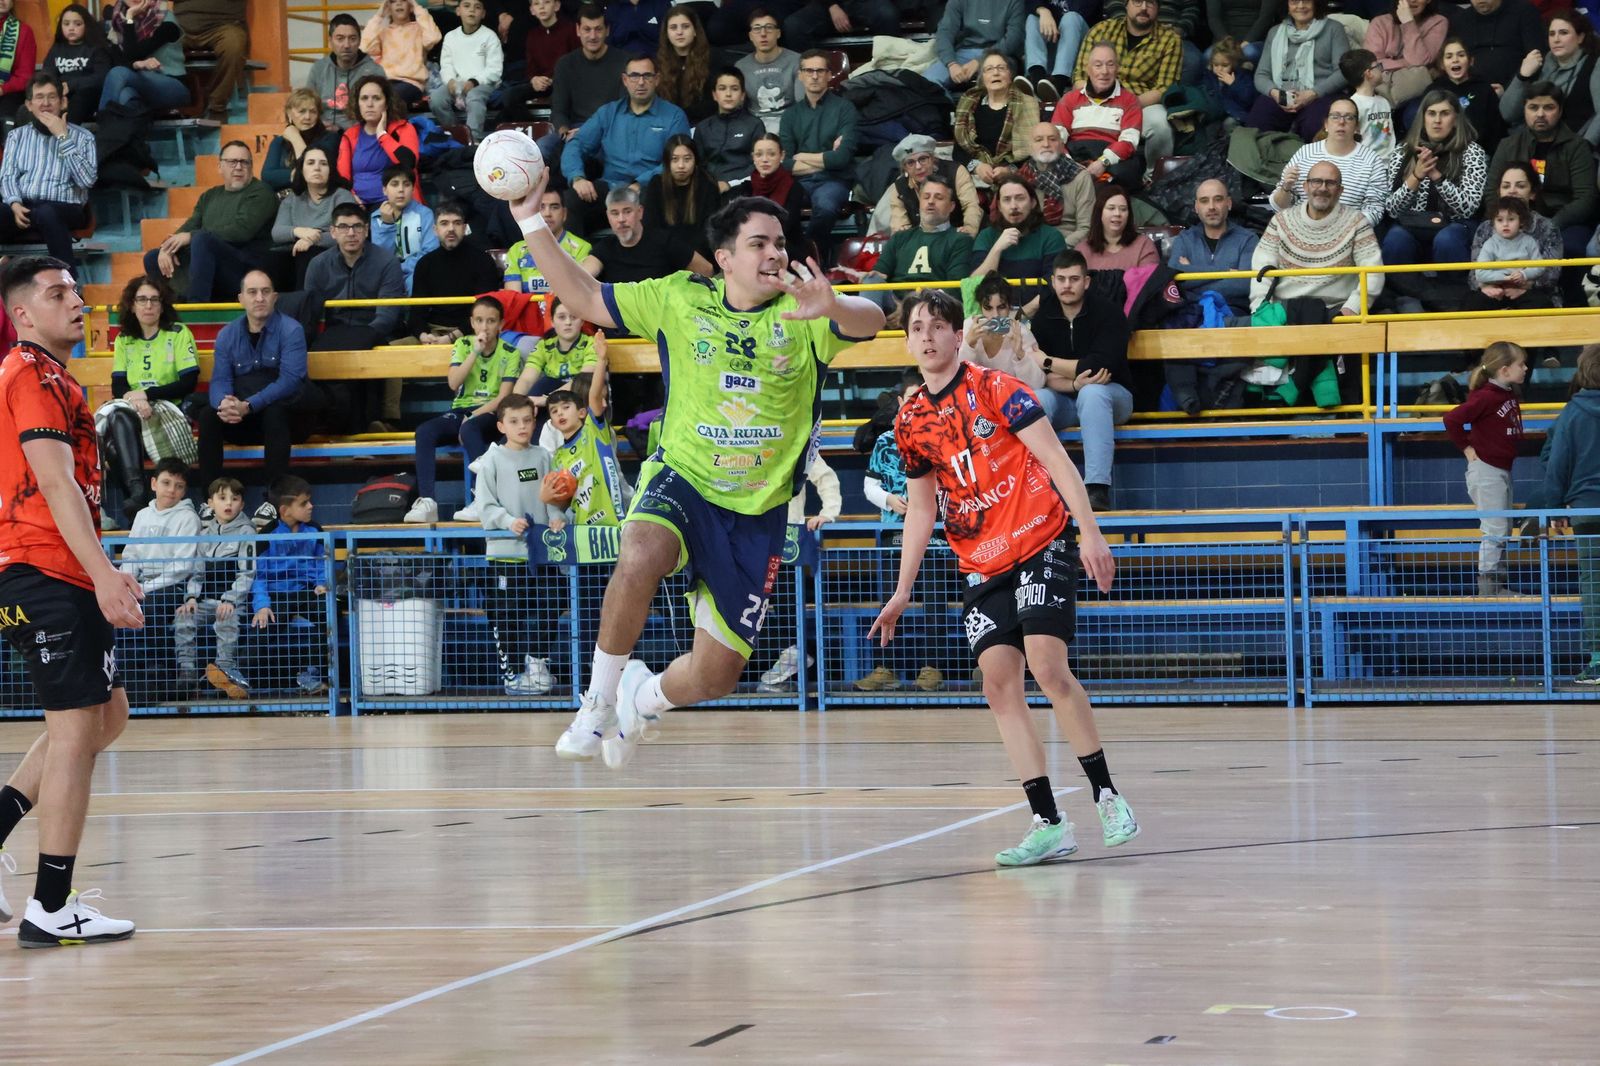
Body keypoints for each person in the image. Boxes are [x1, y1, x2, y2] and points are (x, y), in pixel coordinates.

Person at [508, 174, 885, 765]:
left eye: (781, 243)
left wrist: (834, 302)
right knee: (639, 552)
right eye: (760, 243)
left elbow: (874, 320)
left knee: (716, 677)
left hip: (758, 510)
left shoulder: (804, 310)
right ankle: (597, 702)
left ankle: (644, 696)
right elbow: (583, 296)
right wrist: (531, 221)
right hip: (683, 475)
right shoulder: (680, 297)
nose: (776, 253)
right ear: (725, 258)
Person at [868, 287, 1139, 866]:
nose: (927, 336)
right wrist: (901, 590)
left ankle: (1107, 795)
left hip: (1040, 538)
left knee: (1046, 664)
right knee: (997, 683)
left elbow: (1058, 460)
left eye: (938, 326)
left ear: (956, 333)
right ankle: (1048, 822)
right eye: (917, 327)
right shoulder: (911, 420)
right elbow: (920, 509)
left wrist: (1090, 532)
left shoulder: (998, 390)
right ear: (908, 338)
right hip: (981, 559)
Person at [0, 254, 143, 948]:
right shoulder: (29, 373)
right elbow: (55, 484)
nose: (77, 302)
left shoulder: (57, 376)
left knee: (105, 718)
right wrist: (104, 573)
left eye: (77, 291)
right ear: (22, 313)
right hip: (42, 570)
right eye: (57, 294)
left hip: (56, 571)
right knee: (78, 730)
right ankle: (49, 906)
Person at [474, 393, 565, 695]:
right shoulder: (491, 460)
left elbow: (553, 497)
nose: (522, 426)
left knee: (552, 604)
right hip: (504, 555)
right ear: (501, 426)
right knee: (507, 616)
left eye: (527, 420)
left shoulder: (543, 456)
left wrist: (555, 516)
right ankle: (512, 676)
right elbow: (485, 506)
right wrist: (507, 520)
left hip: (542, 554)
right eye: (514, 421)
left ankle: (537, 664)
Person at [1030, 250, 1134, 506]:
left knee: (1093, 393)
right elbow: (1041, 377)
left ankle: (1097, 488)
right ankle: (1034, 489)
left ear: (1086, 281)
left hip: (1113, 397)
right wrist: (1073, 382)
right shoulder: (1043, 319)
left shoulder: (1108, 313)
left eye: (1074, 279)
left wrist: (1049, 361)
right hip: (1064, 398)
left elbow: (1098, 367)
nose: (1067, 286)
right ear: (1053, 281)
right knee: (1037, 398)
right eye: (1062, 279)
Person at [196, 271, 316, 491]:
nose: (259, 298)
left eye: (265, 292)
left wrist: (249, 405)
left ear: (275, 297)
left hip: (288, 418)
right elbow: (220, 379)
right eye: (252, 292)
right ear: (241, 298)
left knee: (275, 412)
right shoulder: (227, 335)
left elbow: (290, 380)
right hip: (245, 418)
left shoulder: (291, 330)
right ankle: (210, 499)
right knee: (208, 416)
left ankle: (274, 498)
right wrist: (224, 404)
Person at [95, 275, 201, 522]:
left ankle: (138, 504)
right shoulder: (124, 339)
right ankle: (139, 493)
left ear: (162, 305)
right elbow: (119, 384)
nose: (148, 305)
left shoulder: (177, 333)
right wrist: (136, 400)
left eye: (154, 299)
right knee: (119, 415)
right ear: (132, 305)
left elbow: (188, 382)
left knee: (113, 448)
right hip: (135, 413)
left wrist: (147, 395)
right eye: (142, 299)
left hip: (169, 411)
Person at [409, 296, 522, 520]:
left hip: (490, 412)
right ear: (471, 323)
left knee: (470, 429)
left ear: (500, 325)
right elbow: (453, 383)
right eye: (479, 320)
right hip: (461, 409)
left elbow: (503, 398)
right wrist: (475, 352)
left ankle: (483, 500)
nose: (485, 327)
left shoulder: (511, 352)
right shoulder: (463, 345)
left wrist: (472, 416)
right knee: (424, 431)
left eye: (491, 321)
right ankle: (428, 503)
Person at [561, 54, 692, 238]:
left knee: (652, 199)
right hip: (609, 187)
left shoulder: (674, 116)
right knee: (569, 201)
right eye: (634, 76)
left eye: (647, 76)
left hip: (651, 189)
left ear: (657, 79)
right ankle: (577, 262)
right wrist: (577, 178)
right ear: (625, 80)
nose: (640, 82)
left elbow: (677, 161)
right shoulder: (608, 113)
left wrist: (640, 183)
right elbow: (577, 143)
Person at [143, 141, 277, 302]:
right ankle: (170, 311)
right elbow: (191, 225)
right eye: (232, 162)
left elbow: (242, 230)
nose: (239, 167)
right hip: (209, 262)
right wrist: (167, 247)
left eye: (244, 162)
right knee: (153, 257)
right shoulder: (210, 196)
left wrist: (191, 237)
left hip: (245, 269)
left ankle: (197, 310)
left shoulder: (261, 192)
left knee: (202, 240)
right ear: (220, 167)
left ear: (251, 167)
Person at [1166, 178, 1257, 414]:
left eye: (1218, 199)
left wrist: (1194, 273)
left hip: (1232, 314)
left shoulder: (1247, 239)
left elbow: (1246, 284)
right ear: (1196, 207)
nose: (1212, 206)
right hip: (1192, 315)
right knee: (1170, 330)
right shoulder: (1185, 239)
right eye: (1204, 201)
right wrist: (1226, 273)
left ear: (1228, 203)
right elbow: (1177, 282)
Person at [1444, 341, 1527, 596]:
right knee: (1495, 528)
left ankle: (1497, 585)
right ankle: (1488, 588)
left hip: (1501, 469)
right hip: (1487, 470)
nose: (1525, 368)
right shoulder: (1487, 397)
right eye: (1520, 364)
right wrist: (1468, 450)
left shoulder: (1506, 394)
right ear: (1504, 370)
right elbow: (1452, 419)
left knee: (1503, 527)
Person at [1253, 162, 1386, 320]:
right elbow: (1260, 270)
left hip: (1336, 313)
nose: (1323, 188)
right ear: (1305, 186)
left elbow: (1373, 272)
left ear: (1340, 191)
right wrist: (1260, 309)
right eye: (1316, 181)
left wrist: (1352, 309)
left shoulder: (1357, 222)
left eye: (1330, 183)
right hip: (1285, 312)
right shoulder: (1280, 221)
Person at [1542, 343, 1600, 684]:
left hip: (1587, 511)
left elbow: (1557, 465)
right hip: (1585, 509)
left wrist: (1551, 508)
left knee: (1595, 588)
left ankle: (1598, 661)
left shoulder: (1573, 413)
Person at [1381, 89, 1489, 268]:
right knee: (1395, 239)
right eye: (1431, 113)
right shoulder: (1402, 151)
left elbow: (1468, 209)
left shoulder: (1472, 152)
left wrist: (1437, 177)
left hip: (1455, 224)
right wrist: (1416, 176)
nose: (1437, 120)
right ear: (1423, 118)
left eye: (1445, 114)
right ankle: (1401, 294)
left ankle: (1450, 294)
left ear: (1455, 118)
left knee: (1447, 239)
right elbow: (1392, 210)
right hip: (1413, 223)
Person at [116, 457, 200, 687]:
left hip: (173, 586)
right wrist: (129, 585)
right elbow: (131, 554)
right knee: (116, 606)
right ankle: (126, 675)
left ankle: (159, 674)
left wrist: (143, 589)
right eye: (166, 483)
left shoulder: (188, 518)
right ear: (154, 484)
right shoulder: (143, 515)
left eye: (179, 486)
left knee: (149, 610)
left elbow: (182, 567)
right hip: (142, 585)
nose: (172, 490)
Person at [1488, 82, 1599, 255]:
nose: (1540, 114)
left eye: (1548, 107)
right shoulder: (1508, 145)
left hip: (1563, 222)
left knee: (1571, 246)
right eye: (1533, 107)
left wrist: (1550, 225)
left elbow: (1585, 198)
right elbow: (1491, 191)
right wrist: (1507, 221)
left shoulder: (1577, 146)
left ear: (1560, 110)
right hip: (1511, 219)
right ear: (1524, 109)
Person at [0, 75, 96, 273]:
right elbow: (7, 176)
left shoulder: (84, 137)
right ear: (29, 104)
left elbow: (87, 180)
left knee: (47, 213)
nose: (45, 103)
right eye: (39, 97)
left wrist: (63, 137)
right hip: (24, 207)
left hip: (67, 208)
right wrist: (14, 203)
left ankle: (70, 284)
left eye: (52, 97)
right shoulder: (16, 136)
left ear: (63, 102)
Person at [176, 476, 256, 701]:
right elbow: (197, 572)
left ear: (242, 503)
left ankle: (224, 670)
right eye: (222, 498)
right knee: (183, 618)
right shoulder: (204, 534)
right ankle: (188, 675)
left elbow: (247, 572)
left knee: (226, 620)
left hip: (233, 602)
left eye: (235, 498)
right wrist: (191, 598)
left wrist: (230, 600)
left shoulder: (247, 532)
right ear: (210, 503)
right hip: (205, 600)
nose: (228, 503)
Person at [1073, 0, 1182, 164]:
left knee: (1161, 125)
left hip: (1141, 104)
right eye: (1138, 1)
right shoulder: (1102, 30)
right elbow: (1079, 78)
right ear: (1126, 4)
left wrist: (1126, 105)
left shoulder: (1170, 40)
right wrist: (1106, 104)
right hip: (1097, 100)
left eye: (1150, 3)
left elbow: (1164, 88)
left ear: (1158, 8)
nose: (1144, 8)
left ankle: (1154, 176)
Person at [250, 475, 330, 694]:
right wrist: (262, 606)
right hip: (275, 596)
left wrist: (323, 583)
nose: (311, 506)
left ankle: (313, 676)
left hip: (305, 593)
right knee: (261, 626)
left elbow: (322, 563)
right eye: (304, 503)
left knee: (328, 614)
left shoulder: (315, 530)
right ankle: (246, 680)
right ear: (285, 510)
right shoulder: (267, 535)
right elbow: (259, 576)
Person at [779, 50, 859, 262]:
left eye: (820, 71)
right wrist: (826, 159)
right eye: (809, 70)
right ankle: (790, 258)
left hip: (834, 181)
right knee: (781, 207)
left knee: (825, 207)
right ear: (800, 75)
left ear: (829, 75)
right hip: (800, 182)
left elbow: (841, 159)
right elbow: (785, 164)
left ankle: (812, 259)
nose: (814, 76)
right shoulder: (790, 115)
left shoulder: (845, 109)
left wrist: (802, 156)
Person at [303, 203, 407, 362]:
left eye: (357, 226)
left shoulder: (387, 262)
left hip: (374, 335)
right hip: (332, 336)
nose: (351, 233)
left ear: (366, 230)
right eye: (343, 227)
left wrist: (357, 340)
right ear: (333, 232)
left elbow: (386, 318)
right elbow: (311, 315)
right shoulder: (318, 265)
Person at [545, 345, 627, 527]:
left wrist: (601, 360)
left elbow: (595, 396)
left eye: (566, 407)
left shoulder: (593, 430)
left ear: (583, 412)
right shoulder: (558, 457)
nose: (560, 414)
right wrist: (550, 501)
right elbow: (562, 501)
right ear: (552, 421)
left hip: (615, 521)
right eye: (554, 411)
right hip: (583, 528)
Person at [1246, 0, 1350, 140]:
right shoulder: (1275, 32)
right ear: (1287, 6)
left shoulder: (1334, 29)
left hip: (1320, 94)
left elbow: (1343, 72)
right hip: (1282, 93)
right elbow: (1261, 75)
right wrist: (1277, 94)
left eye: (1306, 1)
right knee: (1257, 123)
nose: (1300, 6)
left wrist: (1312, 93)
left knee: (1315, 127)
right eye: (1294, 1)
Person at [547, 5, 632, 174]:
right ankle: (551, 199)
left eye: (598, 29)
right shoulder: (565, 64)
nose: (593, 36)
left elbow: (625, 109)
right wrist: (564, 131)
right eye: (587, 29)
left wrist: (592, 131)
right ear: (578, 30)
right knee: (542, 148)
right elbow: (558, 110)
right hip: (573, 130)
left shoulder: (625, 62)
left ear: (607, 31)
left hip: (610, 131)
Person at [968, 172, 1068, 314]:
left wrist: (1022, 314)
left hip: (1039, 314)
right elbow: (975, 285)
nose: (1014, 206)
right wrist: (997, 249)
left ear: (1033, 203)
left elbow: (1056, 284)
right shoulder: (986, 236)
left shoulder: (1051, 237)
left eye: (1020, 199)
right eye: (1007, 200)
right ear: (999, 206)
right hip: (995, 316)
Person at [870, 176, 975, 310]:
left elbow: (954, 289)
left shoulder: (961, 240)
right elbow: (879, 274)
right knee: (871, 279)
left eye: (939, 197)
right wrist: (900, 308)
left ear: (951, 206)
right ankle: (865, 329)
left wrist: (910, 310)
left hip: (935, 308)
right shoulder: (899, 237)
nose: (931, 201)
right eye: (926, 197)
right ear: (919, 202)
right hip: (895, 306)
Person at [959, 271, 1053, 419]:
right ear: (981, 307)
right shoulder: (969, 328)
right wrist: (969, 345)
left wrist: (1020, 355)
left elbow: (1037, 385)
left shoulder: (1021, 333)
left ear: (1009, 306)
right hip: (977, 403)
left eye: (1001, 307)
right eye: (988, 308)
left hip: (1011, 406)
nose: (995, 315)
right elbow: (957, 380)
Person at [408, 198, 503, 343]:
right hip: (432, 333)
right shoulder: (425, 264)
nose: (451, 228)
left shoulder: (483, 261)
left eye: (457, 223)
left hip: (473, 334)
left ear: (465, 229)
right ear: (435, 230)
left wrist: (451, 337)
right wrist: (423, 335)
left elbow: (486, 311)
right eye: (444, 223)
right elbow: (416, 313)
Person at [1052, 43, 1146, 189]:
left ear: (1117, 69)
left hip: (1112, 162)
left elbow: (1129, 142)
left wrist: (1103, 162)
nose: (1104, 71)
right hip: (1076, 157)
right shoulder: (1069, 99)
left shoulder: (1130, 101)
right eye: (1098, 65)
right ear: (1088, 69)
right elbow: (1056, 139)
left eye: (1110, 65)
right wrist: (1071, 165)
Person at [1501, 9, 1600, 143]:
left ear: (1580, 37)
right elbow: (1507, 114)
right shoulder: (1538, 63)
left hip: (1571, 149)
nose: (1556, 39)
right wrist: (1522, 76)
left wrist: (1584, 146)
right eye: (1551, 34)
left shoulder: (1594, 63)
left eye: (1563, 33)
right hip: (1530, 144)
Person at [271, 145, 359, 290]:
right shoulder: (292, 199)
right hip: (295, 252)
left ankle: (304, 308)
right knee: (271, 260)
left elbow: (346, 234)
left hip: (332, 255)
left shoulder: (342, 196)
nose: (317, 168)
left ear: (330, 169)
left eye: (323, 163)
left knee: (308, 255)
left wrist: (312, 240)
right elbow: (277, 232)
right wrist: (301, 232)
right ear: (301, 169)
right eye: (310, 163)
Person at [586, 185, 715, 282]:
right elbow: (584, 273)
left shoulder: (664, 241)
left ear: (640, 212)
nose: (621, 219)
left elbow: (706, 269)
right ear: (608, 216)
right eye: (615, 213)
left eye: (627, 211)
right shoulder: (605, 247)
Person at [1481, 163, 1563, 306]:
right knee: (1473, 303)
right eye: (1506, 186)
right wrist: (1491, 287)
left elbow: (1551, 274)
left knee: (1539, 305)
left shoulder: (1548, 227)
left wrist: (1524, 286)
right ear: (1499, 192)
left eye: (1520, 186)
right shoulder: (1485, 228)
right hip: (1494, 290)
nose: (1512, 191)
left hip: (1534, 292)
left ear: (1532, 193)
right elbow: (1474, 273)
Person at [953, 53, 1039, 188]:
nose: (996, 73)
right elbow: (958, 150)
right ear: (982, 78)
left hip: (1017, 180)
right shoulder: (968, 105)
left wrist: (1009, 170)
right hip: (975, 179)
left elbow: (1035, 149)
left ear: (1010, 76)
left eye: (1001, 68)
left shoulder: (1028, 105)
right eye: (989, 69)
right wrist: (977, 167)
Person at [338, 75, 422, 210]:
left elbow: (409, 163)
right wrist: (352, 198)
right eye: (364, 98)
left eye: (376, 98)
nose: (370, 104)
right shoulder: (350, 135)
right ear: (357, 103)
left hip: (396, 204)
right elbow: (343, 178)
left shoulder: (403, 128)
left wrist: (382, 134)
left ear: (387, 103)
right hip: (358, 206)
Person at [101, 0, 190, 114]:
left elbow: (133, 54)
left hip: (172, 86)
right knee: (125, 95)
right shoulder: (117, 25)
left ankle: (101, 124)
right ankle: (117, 129)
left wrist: (129, 18)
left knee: (118, 73)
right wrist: (137, 64)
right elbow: (118, 61)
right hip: (139, 87)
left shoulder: (167, 21)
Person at [431, 0, 502, 140]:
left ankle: (472, 140)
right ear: (458, 11)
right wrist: (450, 80)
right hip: (457, 83)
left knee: (474, 97)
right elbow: (446, 65)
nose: (472, 10)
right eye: (467, 6)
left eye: (477, 7)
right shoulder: (451, 37)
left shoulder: (490, 36)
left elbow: (495, 69)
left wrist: (474, 82)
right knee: (436, 99)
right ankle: (457, 135)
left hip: (484, 84)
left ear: (483, 14)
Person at [884, 135, 983, 236]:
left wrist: (969, 230)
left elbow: (971, 206)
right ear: (905, 168)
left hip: (958, 236)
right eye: (910, 162)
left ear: (932, 159)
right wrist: (902, 233)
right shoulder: (899, 187)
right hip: (922, 242)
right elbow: (899, 224)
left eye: (922, 159)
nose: (918, 167)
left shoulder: (955, 172)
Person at [503, 188, 593, 298]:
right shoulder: (516, 250)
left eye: (554, 207)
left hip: (564, 313)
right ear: (531, 212)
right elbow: (514, 299)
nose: (547, 213)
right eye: (541, 207)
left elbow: (579, 293)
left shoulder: (582, 248)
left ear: (564, 214)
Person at [1467, 196, 1553, 310]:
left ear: (1521, 221)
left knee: (1543, 303)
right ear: (1493, 222)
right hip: (1496, 290)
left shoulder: (1529, 241)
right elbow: (1480, 273)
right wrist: (1505, 278)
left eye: (1511, 219)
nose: (1505, 224)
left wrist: (1524, 274)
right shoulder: (1490, 244)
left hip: (1522, 289)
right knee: (1471, 303)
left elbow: (1539, 267)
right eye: (1500, 220)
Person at [643, 134, 721, 258]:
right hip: (664, 252)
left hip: (699, 254)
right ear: (667, 162)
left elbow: (710, 228)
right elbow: (651, 226)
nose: (681, 165)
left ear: (695, 160)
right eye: (675, 159)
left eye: (687, 159)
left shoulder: (707, 184)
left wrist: (687, 256)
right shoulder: (656, 184)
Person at [1018, 121, 1095, 247]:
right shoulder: (1021, 178)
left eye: (1052, 139)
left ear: (1061, 145)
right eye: (1039, 140)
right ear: (1030, 147)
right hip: (1030, 244)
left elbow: (1086, 228)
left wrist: (1058, 248)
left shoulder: (1080, 176)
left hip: (1068, 246)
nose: (1046, 144)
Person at [307, 13, 386, 135]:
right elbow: (307, 104)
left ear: (359, 41)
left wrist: (342, 130)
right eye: (340, 38)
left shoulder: (374, 71)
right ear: (330, 41)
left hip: (360, 135)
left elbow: (379, 112)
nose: (346, 45)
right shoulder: (318, 69)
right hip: (323, 132)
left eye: (352, 38)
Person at [1364, 0, 1449, 108]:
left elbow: (1418, 60)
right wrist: (1407, 63)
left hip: (1417, 90)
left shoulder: (1438, 22)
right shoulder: (1379, 22)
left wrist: (1408, 22)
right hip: (1380, 87)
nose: (1413, 0)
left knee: (1413, 113)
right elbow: (1371, 64)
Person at [695, 68, 767, 194]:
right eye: (722, 88)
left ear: (742, 95)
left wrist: (731, 184)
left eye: (734, 89)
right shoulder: (703, 127)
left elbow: (759, 164)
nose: (728, 94)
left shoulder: (755, 125)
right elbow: (697, 164)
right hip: (708, 189)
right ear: (714, 95)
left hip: (743, 188)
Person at [1447, 0, 1545, 91]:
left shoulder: (1524, 12)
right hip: (1471, 92)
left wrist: (1510, 91)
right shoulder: (1459, 20)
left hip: (1518, 89)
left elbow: (1536, 59)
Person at [502, 0, 576, 122]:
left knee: (558, 97)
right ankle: (534, 126)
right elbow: (531, 68)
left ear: (556, 6)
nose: (542, 7)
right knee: (509, 96)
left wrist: (554, 79)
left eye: (546, 2)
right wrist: (534, 79)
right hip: (541, 83)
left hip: (563, 83)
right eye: (536, 3)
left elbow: (575, 63)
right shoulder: (532, 35)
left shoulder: (570, 30)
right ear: (532, 10)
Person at [1425, 36, 1505, 148]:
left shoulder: (1484, 89)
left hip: (1477, 150)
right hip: (1441, 151)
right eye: (1449, 57)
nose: (1455, 60)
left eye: (1461, 55)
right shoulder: (1433, 90)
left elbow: (1496, 130)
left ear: (1470, 61)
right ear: (1442, 64)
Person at [172, 0, 246, 122]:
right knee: (158, 42)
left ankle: (216, 106)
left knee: (234, 45)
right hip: (182, 27)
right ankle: (165, 108)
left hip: (223, 25)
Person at [926, 0, 1025, 90]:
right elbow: (945, 32)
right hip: (964, 52)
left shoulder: (1014, 2)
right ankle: (950, 109)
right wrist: (951, 63)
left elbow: (1013, 39)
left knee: (996, 82)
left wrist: (980, 60)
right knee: (928, 81)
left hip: (1000, 54)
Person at [370, 163, 439, 293]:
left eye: (406, 184)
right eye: (394, 184)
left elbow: (430, 252)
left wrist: (400, 268)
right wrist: (387, 224)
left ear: (413, 189)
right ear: (384, 189)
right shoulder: (376, 217)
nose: (401, 190)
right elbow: (380, 258)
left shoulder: (425, 214)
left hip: (417, 272)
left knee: (415, 284)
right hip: (387, 276)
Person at [361, 0, 441, 107]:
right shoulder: (384, 32)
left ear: (410, 6)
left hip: (411, 83)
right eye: (393, 1)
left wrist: (416, 7)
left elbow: (433, 38)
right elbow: (366, 47)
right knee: (366, 96)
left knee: (390, 98)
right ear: (388, 8)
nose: (398, 3)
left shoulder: (419, 29)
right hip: (386, 81)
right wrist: (379, 15)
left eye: (403, 0)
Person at [43, 3, 111, 125]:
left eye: (77, 24)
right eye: (66, 24)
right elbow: (48, 73)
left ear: (86, 26)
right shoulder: (56, 48)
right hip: (61, 94)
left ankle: (66, 138)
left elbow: (101, 77)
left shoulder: (96, 48)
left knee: (80, 98)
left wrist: (71, 85)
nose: (71, 28)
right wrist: (57, 89)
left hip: (88, 96)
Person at [747, 132, 812, 255]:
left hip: (785, 248)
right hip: (754, 247)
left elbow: (785, 227)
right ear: (753, 157)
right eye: (759, 155)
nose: (765, 159)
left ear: (782, 155)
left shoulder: (794, 187)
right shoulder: (745, 189)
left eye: (771, 154)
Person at [736, 9, 798, 133]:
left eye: (769, 27)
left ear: (778, 33)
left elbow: (803, 103)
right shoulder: (741, 66)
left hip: (791, 127)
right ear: (750, 36)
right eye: (757, 28)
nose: (763, 33)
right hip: (754, 130)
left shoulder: (796, 61)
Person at [1023, 0, 1094, 102]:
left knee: (1070, 18)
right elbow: (1029, 3)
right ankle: (1036, 78)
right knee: (1033, 18)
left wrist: (1049, 14)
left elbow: (1082, 10)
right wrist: (1043, 11)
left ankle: (1058, 84)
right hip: (1054, 46)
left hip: (1081, 51)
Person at [1077, 184, 1160, 271]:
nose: (1117, 213)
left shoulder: (1144, 245)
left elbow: (1150, 282)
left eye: (1123, 209)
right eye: (1111, 208)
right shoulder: (1083, 250)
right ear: (1099, 213)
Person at [656, 5, 716, 124]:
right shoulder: (658, 63)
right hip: (669, 125)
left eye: (685, 27)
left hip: (705, 125)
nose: (679, 32)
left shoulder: (714, 59)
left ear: (695, 31)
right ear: (666, 33)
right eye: (673, 28)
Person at [263, 89, 328, 193]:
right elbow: (267, 176)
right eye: (302, 111)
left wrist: (295, 139)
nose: (307, 117)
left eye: (313, 111)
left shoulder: (328, 139)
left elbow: (315, 176)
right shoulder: (279, 142)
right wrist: (297, 174)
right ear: (289, 114)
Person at [782, 0, 898, 52]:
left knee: (887, 15)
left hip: (864, 3)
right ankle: (811, 72)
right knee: (793, 26)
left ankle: (890, 70)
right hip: (827, 5)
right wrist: (832, 5)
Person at [1342, 49, 1396, 160]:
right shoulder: (1353, 105)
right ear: (1369, 73)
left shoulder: (1383, 101)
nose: (1382, 69)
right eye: (1378, 66)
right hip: (1367, 163)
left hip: (1389, 162)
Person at [1202, 36, 1259, 125]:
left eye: (1224, 66)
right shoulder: (1209, 76)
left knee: (1229, 123)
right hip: (1217, 114)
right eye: (1216, 65)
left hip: (1236, 114)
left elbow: (1249, 100)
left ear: (1234, 64)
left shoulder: (1242, 75)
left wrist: (1233, 84)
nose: (1219, 69)